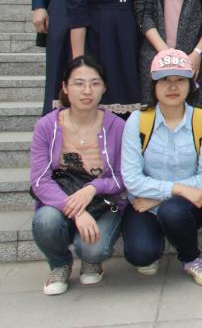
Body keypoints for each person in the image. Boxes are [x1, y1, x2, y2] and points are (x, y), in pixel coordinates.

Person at [121, 51, 202, 285]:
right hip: (143, 203)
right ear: (153, 84)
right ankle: (156, 240)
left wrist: (160, 197)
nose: (173, 87)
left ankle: (191, 258)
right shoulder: (138, 120)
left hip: (187, 206)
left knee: (172, 211)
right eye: (165, 80)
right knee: (140, 255)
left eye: (180, 80)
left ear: (190, 84)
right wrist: (178, 189)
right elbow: (131, 179)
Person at [30, 56, 126, 295]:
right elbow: (40, 180)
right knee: (45, 221)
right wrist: (77, 210)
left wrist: (93, 188)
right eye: (78, 83)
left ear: (104, 88)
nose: (87, 91)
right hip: (62, 202)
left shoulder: (117, 126)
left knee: (93, 249)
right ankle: (60, 264)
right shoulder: (47, 126)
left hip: (104, 204)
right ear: (65, 87)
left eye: (95, 83)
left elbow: (123, 177)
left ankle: (90, 259)